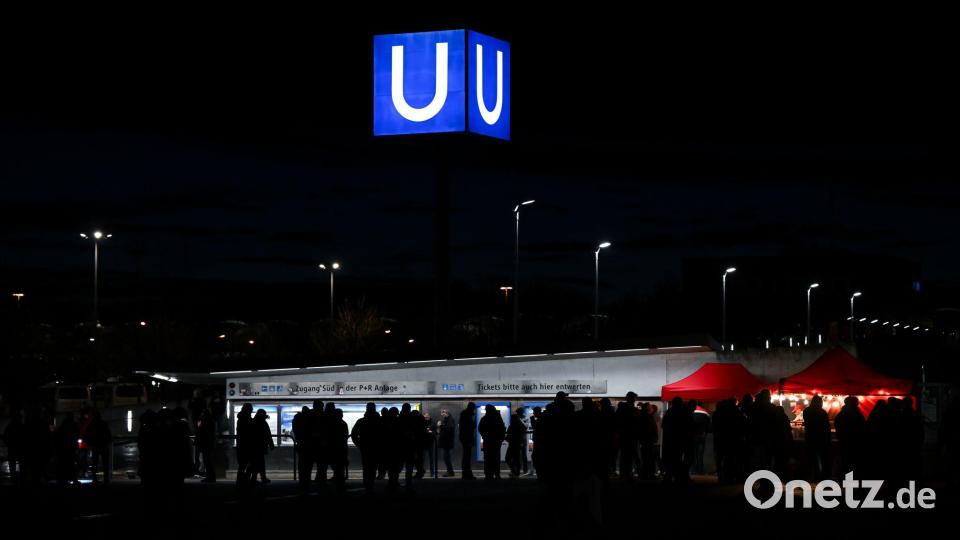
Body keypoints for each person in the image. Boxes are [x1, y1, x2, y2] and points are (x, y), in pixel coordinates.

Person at [351, 402, 383, 493]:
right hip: (376, 447)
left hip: (365, 447)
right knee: (373, 467)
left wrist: (359, 444)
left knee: (366, 467)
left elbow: (354, 434)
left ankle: (367, 485)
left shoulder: (361, 421)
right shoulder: (379, 421)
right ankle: (371, 484)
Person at [834, 396, 866, 475]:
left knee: (845, 463)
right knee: (852, 463)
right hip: (854, 442)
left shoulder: (841, 414)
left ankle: (844, 479)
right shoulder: (857, 414)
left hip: (844, 441)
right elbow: (862, 427)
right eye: (856, 403)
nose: (857, 404)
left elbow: (837, 426)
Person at [803, 394, 831, 480]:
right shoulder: (823, 412)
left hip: (810, 438)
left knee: (811, 459)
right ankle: (823, 477)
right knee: (823, 459)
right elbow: (827, 427)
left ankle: (812, 476)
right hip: (821, 439)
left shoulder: (806, 411)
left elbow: (807, 424)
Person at [478, 405, 506, 480]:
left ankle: (488, 475)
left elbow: (480, 428)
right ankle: (496, 474)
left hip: (488, 441)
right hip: (496, 441)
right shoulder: (498, 418)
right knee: (496, 458)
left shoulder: (484, 418)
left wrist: (484, 435)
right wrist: (501, 438)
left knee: (487, 458)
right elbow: (503, 428)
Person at [249, 409, 275, 484]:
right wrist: (271, 445)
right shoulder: (263, 422)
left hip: (253, 446)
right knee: (259, 463)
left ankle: (254, 478)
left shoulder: (253, 421)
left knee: (256, 463)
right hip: (260, 446)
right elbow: (268, 434)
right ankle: (260, 478)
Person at [87, 410, 112, 484]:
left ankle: (94, 479)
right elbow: (108, 434)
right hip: (103, 445)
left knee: (94, 463)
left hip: (95, 446)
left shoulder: (91, 424)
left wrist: (90, 444)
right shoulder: (103, 423)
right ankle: (106, 478)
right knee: (105, 463)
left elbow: (87, 435)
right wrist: (108, 442)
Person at [292, 405, 313, 491]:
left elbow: (295, 430)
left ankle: (302, 479)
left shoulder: (297, 419)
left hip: (300, 443)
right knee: (308, 463)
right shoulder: (309, 420)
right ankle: (307, 478)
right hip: (308, 444)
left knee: (301, 463)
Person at [196, 406, 217, 482]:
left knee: (207, 461)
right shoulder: (211, 421)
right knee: (208, 461)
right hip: (209, 443)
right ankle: (211, 476)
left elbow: (201, 431)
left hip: (206, 444)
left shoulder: (206, 421)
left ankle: (210, 477)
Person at [330, 408, 349, 492]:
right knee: (341, 467)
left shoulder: (332, 424)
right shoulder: (343, 424)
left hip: (334, 448)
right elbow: (345, 436)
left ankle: (337, 481)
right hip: (341, 448)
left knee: (336, 466)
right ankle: (340, 483)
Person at [235, 403, 254, 486]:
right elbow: (249, 431)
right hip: (247, 444)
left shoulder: (241, 418)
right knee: (250, 463)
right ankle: (244, 479)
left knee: (242, 465)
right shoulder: (247, 419)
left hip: (241, 444)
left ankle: (241, 480)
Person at [506, 407, 527, 476]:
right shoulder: (519, 425)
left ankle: (516, 471)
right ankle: (516, 471)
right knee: (516, 458)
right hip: (518, 443)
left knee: (510, 458)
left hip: (515, 443)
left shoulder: (518, 424)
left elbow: (508, 434)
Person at [459, 402, 477, 480]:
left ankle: (465, 473)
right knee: (467, 456)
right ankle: (467, 473)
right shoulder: (467, 415)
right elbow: (469, 427)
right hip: (467, 438)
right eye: (473, 408)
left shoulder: (464, 414)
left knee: (466, 456)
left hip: (464, 438)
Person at [437, 408, 456, 476]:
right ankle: (450, 471)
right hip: (446, 442)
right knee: (446, 457)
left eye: (443, 413)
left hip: (447, 442)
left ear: (446, 413)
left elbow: (449, 430)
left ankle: (450, 472)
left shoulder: (450, 420)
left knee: (447, 457)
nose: (442, 415)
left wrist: (440, 426)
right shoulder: (446, 420)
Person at [422, 411, 437, 478]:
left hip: (430, 442)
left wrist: (431, 432)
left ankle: (432, 472)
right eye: (425, 417)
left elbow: (436, 432)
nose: (426, 418)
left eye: (427, 416)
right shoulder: (422, 423)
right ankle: (421, 471)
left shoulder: (433, 423)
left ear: (429, 416)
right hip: (424, 442)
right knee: (422, 458)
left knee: (431, 459)